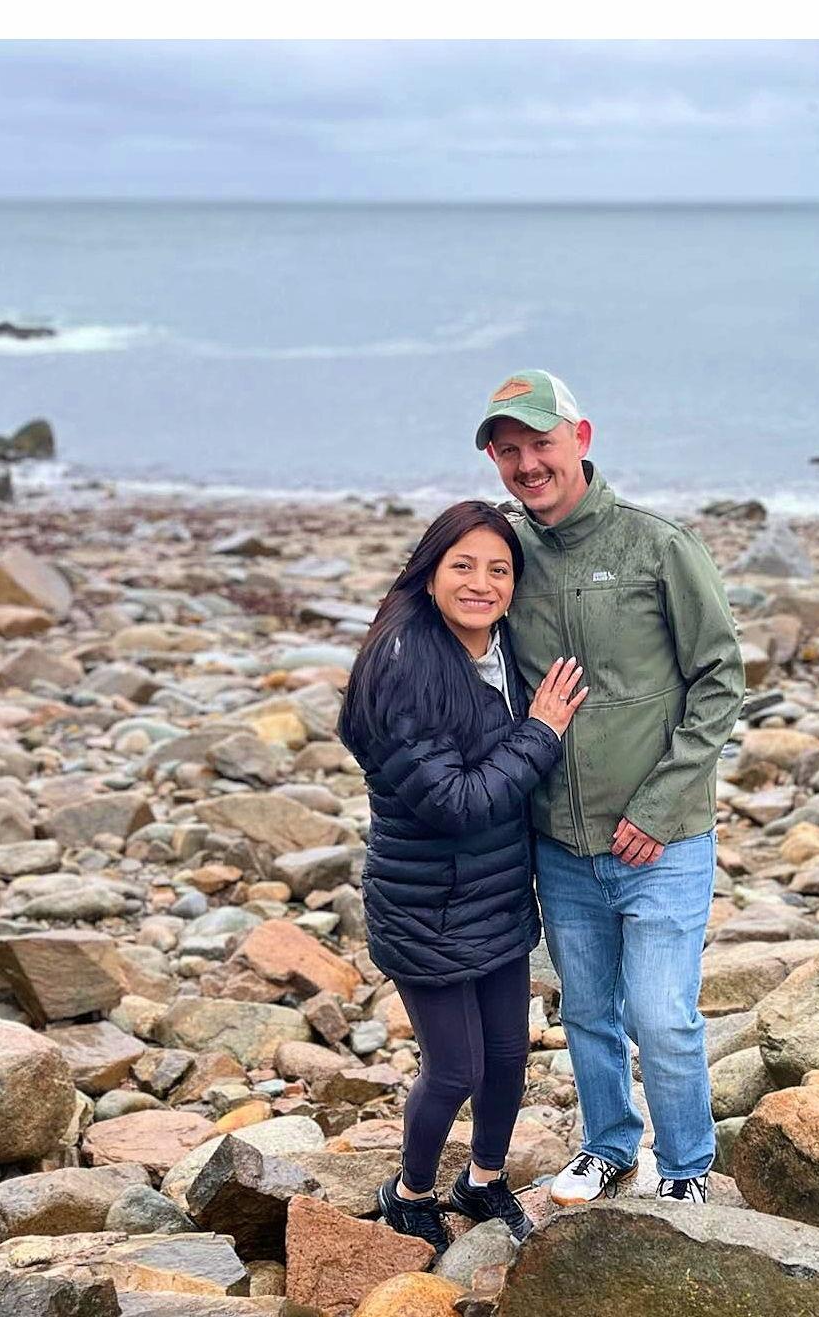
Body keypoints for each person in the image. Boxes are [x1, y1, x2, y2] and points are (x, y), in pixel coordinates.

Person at [475, 370, 744, 1206]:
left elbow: (719, 678)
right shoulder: (507, 554)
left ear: (581, 439)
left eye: (540, 444)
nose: (526, 464)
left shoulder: (658, 545)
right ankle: (608, 1148)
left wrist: (659, 808)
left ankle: (688, 1168)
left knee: (662, 1019)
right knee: (587, 1014)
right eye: (507, 451)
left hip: (662, 840)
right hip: (559, 840)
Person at [338, 499, 587, 1254]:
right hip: (424, 905)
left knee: (509, 1059)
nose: (482, 583)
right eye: (463, 566)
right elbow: (456, 803)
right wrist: (542, 731)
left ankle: (482, 1180)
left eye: (499, 569)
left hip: (497, 895)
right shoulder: (404, 666)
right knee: (454, 1070)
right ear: (430, 571)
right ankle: (409, 1192)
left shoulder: (505, 647)